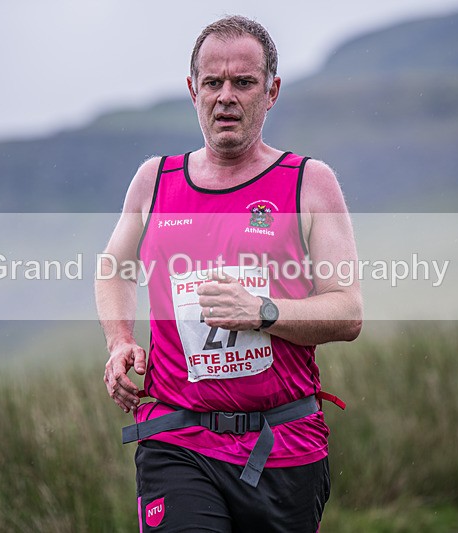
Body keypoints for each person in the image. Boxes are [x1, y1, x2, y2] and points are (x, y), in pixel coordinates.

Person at [95, 15, 362, 532]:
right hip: (177, 441)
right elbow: (114, 267)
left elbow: (347, 311)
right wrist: (119, 340)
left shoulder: (309, 182)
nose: (226, 97)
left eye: (244, 82)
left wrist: (263, 313)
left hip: (283, 444)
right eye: (213, 83)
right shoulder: (155, 180)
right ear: (193, 89)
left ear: (272, 91)